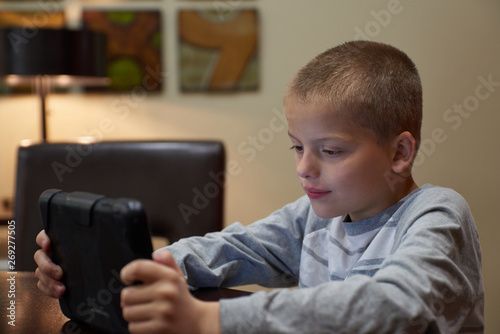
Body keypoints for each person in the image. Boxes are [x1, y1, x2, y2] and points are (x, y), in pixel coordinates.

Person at [34, 40, 484, 333]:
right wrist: (126, 269)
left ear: (400, 154)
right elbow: (234, 248)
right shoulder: (312, 218)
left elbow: (395, 307)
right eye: (296, 147)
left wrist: (211, 319)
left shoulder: (438, 213)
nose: (305, 169)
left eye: (330, 151)